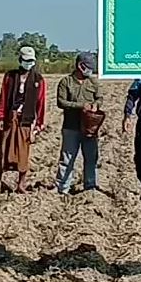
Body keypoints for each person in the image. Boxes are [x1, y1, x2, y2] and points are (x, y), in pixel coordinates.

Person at [0, 46, 46, 193]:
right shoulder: (10, 77)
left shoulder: (38, 80)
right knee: (3, 150)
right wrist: (1, 117)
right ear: (20, 60)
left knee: (23, 152)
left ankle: (21, 184)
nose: (28, 64)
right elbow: (3, 97)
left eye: (31, 61)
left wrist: (39, 124)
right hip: (10, 118)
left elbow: (41, 102)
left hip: (26, 120)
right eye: (26, 60)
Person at [55, 52, 103, 195]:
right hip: (71, 126)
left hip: (89, 128)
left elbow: (99, 98)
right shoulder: (66, 82)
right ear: (80, 66)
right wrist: (80, 106)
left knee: (91, 158)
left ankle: (90, 186)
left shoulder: (93, 82)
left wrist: (96, 105)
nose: (90, 70)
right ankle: (63, 188)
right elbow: (61, 102)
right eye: (88, 67)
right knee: (67, 158)